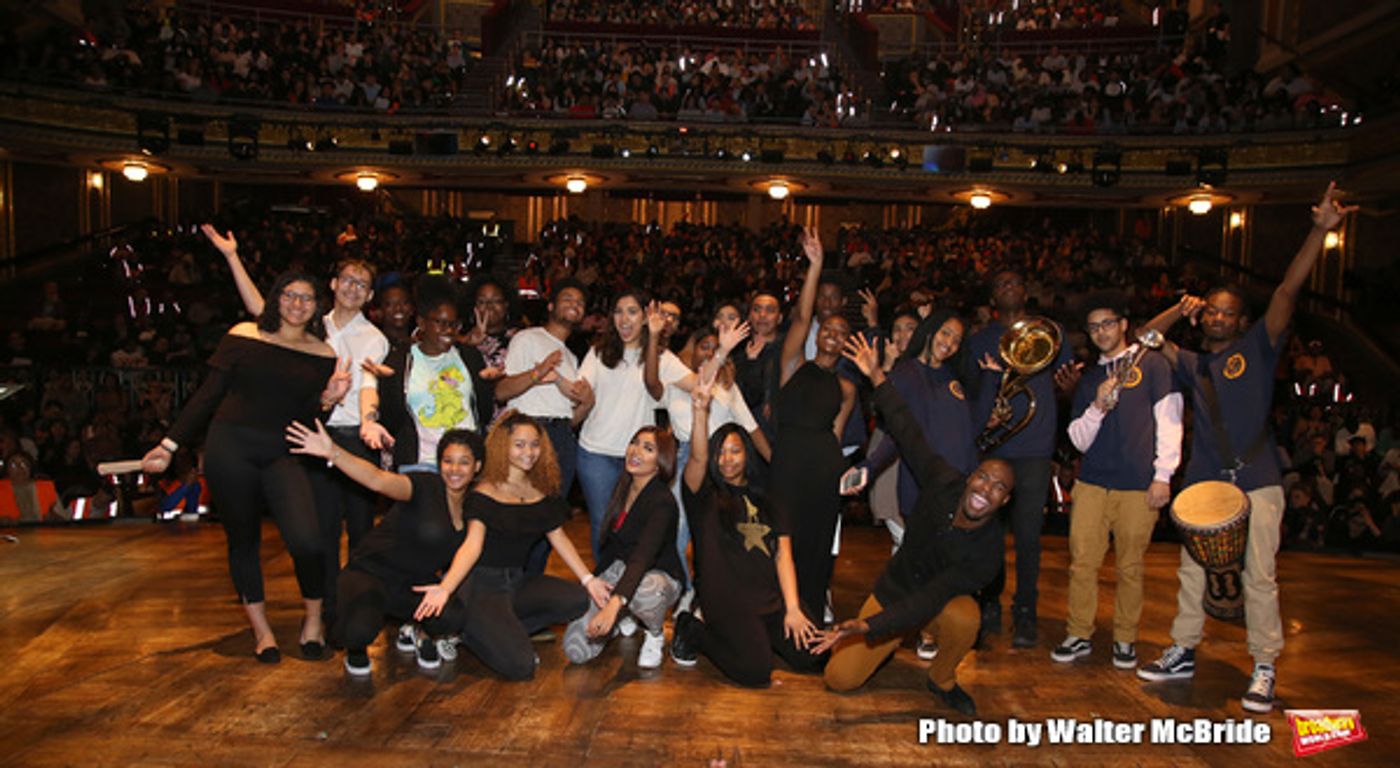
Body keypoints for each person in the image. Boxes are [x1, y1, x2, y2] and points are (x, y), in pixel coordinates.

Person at [1136, 183, 1356, 714]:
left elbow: (1286, 292)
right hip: (1203, 481)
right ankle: (1184, 648)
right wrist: (1178, 308)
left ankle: (1264, 664)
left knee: (1258, 575)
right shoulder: (1192, 363)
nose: (1217, 317)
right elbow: (1145, 338)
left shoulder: (1259, 346)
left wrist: (1319, 231)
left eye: (1227, 312)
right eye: (1210, 311)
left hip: (1256, 477)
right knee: (1192, 571)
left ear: (1241, 321)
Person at [140, 271, 353, 663]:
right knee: (243, 541)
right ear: (275, 298)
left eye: (306, 298)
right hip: (230, 448)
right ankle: (262, 631)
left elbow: (307, 418)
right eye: (289, 294)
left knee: (308, 541)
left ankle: (313, 621)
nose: (297, 303)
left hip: (284, 453)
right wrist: (169, 445)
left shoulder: (324, 355)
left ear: (316, 307)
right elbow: (208, 396)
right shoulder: (244, 335)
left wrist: (329, 400)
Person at [202, 226, 392, 630]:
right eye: (348, 280)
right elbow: (261, 309)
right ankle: (326, 613)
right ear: (333, 284)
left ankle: (358, 612)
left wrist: (369, 421)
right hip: (311, 435)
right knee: (320, 531)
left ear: (369, 296)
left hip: (354, 437)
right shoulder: (309, 321)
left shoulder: (374, 338)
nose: (353, 288)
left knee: (361, 532)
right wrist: (233, 257)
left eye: (362, 285)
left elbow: (368, 386)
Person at [817, 334, 1012, 716]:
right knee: (839, 679)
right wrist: (877, 375)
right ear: (971, 477)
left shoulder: (988, 553)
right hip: (894, 593)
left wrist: (871, 628)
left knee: (966, 617)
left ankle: (941, 678)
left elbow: (931, 597)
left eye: (998, 488)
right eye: (983, 478)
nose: (985, 490)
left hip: (935, 606)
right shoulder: (943, 482)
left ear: (1004, 502)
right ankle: (889, 643)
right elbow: (908, 431)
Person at [411, 412, 605, 680]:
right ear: (503, 446)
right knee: (521, 667)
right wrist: (446, 588)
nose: (529, 452)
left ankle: (494, 629)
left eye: (534, 444)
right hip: (481, 587)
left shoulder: (540, 492)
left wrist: (589, 579)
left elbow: (559, 537)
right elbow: (472, 546)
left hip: (517, 582)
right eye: (520, 444)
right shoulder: (484, 492)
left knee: (579, 599)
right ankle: (466, 629)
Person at [285, 423, 483, 676]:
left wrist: (444, 588)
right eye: (448, 461)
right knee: (358, 631)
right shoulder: (423, 485)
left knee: (452, 616)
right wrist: (333, 452)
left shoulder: (473, 505)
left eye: (464, 462)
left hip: (412, 585)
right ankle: (356, 648)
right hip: (371, 573)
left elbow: (473, 547)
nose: (454, 469)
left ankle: (418, 633)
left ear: (477, 466)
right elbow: (377, 480)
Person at [1051, 293, 1182, 670]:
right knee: (1082, 563)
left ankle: (1125, 639)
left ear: (1124, 325)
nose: (1101, 332)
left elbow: (1170, 420)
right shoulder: (1090, 377)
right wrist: (1097, 405)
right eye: (1093, 327)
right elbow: (1077, 440)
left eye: (1108, 323)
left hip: (1138, 485)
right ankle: (1078, 632)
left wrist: (1163, 476)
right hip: (1092, 483)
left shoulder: (1153, 365)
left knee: (1130, 567)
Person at [668, 376, 825, 686]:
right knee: (754, 671)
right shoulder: (703, 496)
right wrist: (700, 412)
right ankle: (694, 629)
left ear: (747, 455)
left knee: (816, 656)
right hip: (727, 601)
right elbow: (697, 456)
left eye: (735, 451)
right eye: (721, 452)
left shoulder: (768, 499)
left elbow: (783, 556)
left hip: (770, 598)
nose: (727, 459)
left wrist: (793, 608)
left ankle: (762, 636)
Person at [963, 268, 1076, 647]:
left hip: (1035, 450)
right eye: (1001, 284)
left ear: (1026, 291)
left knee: (1029, 537)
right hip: (994, 450)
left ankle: (1025, 610)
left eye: (1014, 282)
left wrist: (1070, 388)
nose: (1008, 287)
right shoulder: (980, 340)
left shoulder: (1050, 333)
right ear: (992, 297)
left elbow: (1067, 387)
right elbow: (972, 395)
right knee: (988, 535)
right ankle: (989, 604)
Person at [771, 228, 857, 623]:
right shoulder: (793, 365)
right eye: (829, 330)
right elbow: (803, 316)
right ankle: (782, 610)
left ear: (847, 343)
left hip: (823, 473)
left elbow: (836, 436)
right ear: (819, 334)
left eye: (842, 333)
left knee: (817, 543)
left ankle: (812, 611)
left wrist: (841, 476)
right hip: (787, 465)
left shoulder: (846, 388)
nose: (834, 335)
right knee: (781, 538)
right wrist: (815, 266)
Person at [575, 292, 690, 559]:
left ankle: (629, 579)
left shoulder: (662, 357)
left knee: (636, 524)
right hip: (596, 453)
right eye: (618, 311)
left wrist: (721, 357)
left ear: (646, 317)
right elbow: (581, 388)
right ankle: (604, 579)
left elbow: (695, 383)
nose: (624, 319)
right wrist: (570, 388)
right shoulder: (598, 352)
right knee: (602, 523)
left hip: (640, 458)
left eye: (632, 311)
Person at [494, 278, 594, 575]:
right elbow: (502, 391)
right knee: (520, 515)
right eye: (568, 299)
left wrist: (587, 403)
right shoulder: (527, 339)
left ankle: (531, 583)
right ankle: (509, 582)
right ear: (550, 306)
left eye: (580, 302)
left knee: (549, 519)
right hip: (530, 433)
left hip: (562, 437)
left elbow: (570, 416)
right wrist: (538, 373)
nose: (575, 305)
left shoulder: (572, 357)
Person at [563, 426, 683, 669]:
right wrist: (597, 585)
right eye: (634, 443)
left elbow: (642, 557)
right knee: (575, 649)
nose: (635, 451)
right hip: (620, 571)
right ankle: (625, 615)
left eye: (648, 448)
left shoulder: (663, 502)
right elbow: (611, 549)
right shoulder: (623, 487)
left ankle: (654, 633)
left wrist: (614, 603)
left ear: (660, 462)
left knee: (646, 592)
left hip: (657, 575)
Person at [360, 279, 494, 472]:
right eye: (440, 323)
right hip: (421, 462)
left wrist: (487, 384)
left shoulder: (468, 356)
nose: (448, 330)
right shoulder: (400, 360)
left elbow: (483, 413)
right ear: (422, 323)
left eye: (453, 324)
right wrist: (387, 383)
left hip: (464, 460)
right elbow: (391, 420)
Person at [733, 289, 784, 441]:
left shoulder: (788, 349)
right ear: (749, 316)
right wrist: (751, 362)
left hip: (779, 433)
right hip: (744, 434)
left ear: (780, 318)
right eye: (757, 310)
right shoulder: (736, 349)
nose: (762, 315)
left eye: (770, 310)